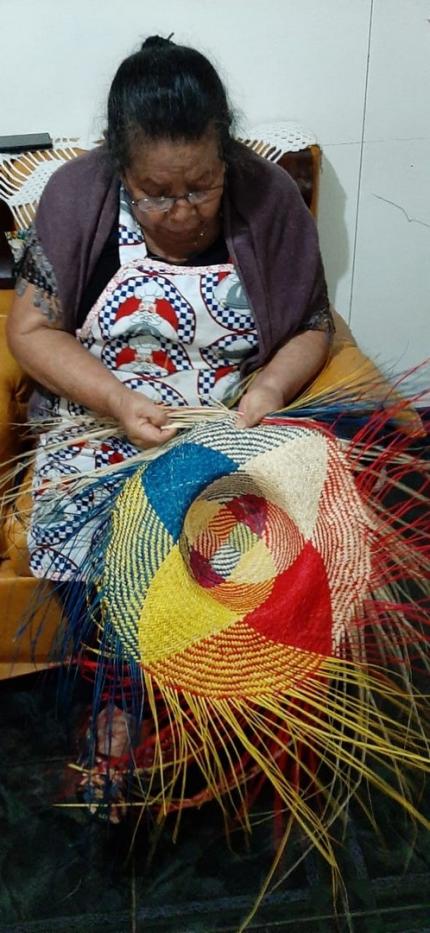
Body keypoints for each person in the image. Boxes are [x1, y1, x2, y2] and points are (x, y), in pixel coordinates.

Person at [6, 35, 334, 814]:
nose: (182, 211)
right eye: (157, 193)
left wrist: (271, 390)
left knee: (225, 532)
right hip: (99, 421)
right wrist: (120, 402)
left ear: (226, 156)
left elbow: (313, 323)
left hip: (221, 417)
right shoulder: (75, 197)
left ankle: (196, 713)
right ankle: (123, 712)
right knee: (119, 527)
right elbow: (31, 330)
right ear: (122, 168)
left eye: (202, 187)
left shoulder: (270, 198)